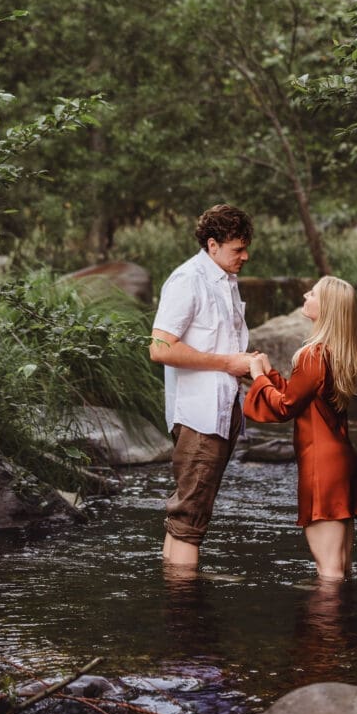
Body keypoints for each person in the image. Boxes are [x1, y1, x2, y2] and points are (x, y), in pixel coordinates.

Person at [150, 204, 255, 568]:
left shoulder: (226, 280)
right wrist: (229, 363)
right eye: (237, 249)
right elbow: (160, 348)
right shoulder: (187, 280)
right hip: (198, 416)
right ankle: (184, 608)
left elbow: (225, 349)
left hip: (222, 413)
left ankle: (176, 589)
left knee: (189, 513)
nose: (245, 256)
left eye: (245, 247)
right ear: (212, 245)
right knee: (190, 518)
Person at [244, 276, 357, 581]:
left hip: (322, 468)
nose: (305, 294)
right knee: (341, 569)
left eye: (312, 293)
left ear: (325, 307)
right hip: (342, 464)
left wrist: (259, 377)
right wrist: (268, 373)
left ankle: (324, 629)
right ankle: (342, 628)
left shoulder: (313, 354)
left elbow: (285, 406)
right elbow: (299, 397)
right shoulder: (336, 353)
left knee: (329, 572)